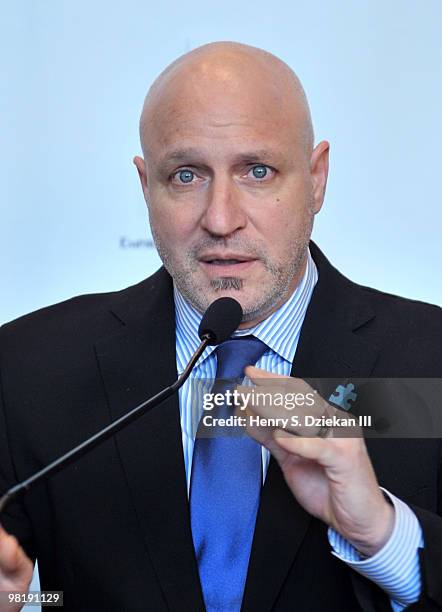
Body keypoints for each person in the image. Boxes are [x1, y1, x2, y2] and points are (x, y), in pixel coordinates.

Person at [0, 41, 441, 612]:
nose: (220, 219)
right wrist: (30, 604)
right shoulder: (30, 368)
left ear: (316, 178)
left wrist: (383, 535)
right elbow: (41, 597)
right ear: (145, 189)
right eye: (186, 175)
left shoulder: (430, 359)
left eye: (258, 171)